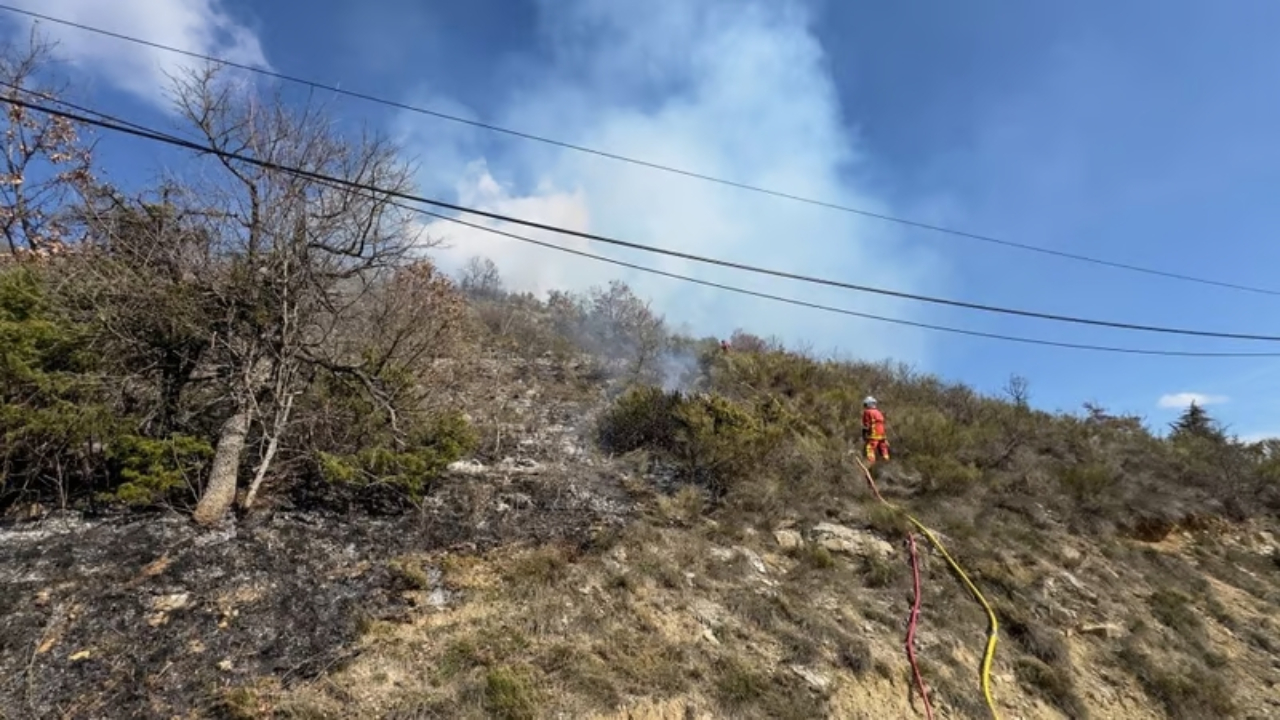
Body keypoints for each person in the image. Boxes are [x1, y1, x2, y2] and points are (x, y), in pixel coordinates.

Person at [861, 396, 890, 465]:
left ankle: (870, 465)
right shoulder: (879, 412)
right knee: (884, 451)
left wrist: (864, 434)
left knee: (869, 449)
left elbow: (866, 425)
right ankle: (887, 464)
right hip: (882, 435)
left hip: (873, 435)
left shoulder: (867, 412)